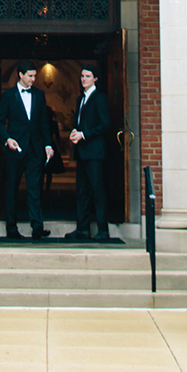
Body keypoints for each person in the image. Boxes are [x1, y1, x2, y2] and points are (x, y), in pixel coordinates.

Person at [0, 59, 54, 240]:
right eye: (30, 76)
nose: (33, 80)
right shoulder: (8, 96)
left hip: (35, 149)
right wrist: (7, 139)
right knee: (12, 188)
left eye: (35, 76)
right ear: (21, 75)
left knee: (34, 189)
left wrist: (48, 145)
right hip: (16, 149)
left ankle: (37, 227)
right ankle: (11, 228)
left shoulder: (39, 95)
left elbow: (44, 122)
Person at [66, 64, 110, 241]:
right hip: (82, 152)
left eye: (88, 76)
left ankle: (103, 230)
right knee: (82, 192)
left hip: (95, 153)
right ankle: (82, 229)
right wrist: (76, 132)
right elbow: (80, 123)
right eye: (82, 76)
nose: (84, 79)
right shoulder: (80, 99)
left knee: (97, 191)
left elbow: (104, 125)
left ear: (95, 79)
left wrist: (84, 134)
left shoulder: (99, 98)